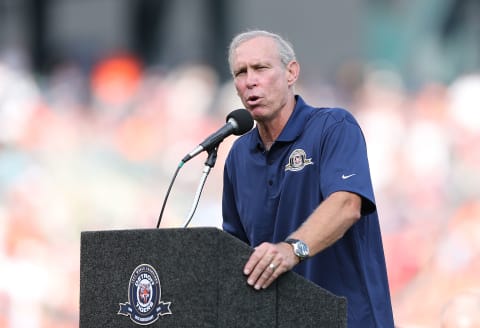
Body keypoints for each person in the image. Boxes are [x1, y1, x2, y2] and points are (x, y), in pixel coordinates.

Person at [221, 30, 395, 327]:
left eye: (261, 68)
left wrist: (292, 249)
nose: (250, 80)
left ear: (291, 72)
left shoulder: (333, 127)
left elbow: (346, 204)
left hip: (348, 319)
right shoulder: (238, 155)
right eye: (241, 72)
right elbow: (235, 251)